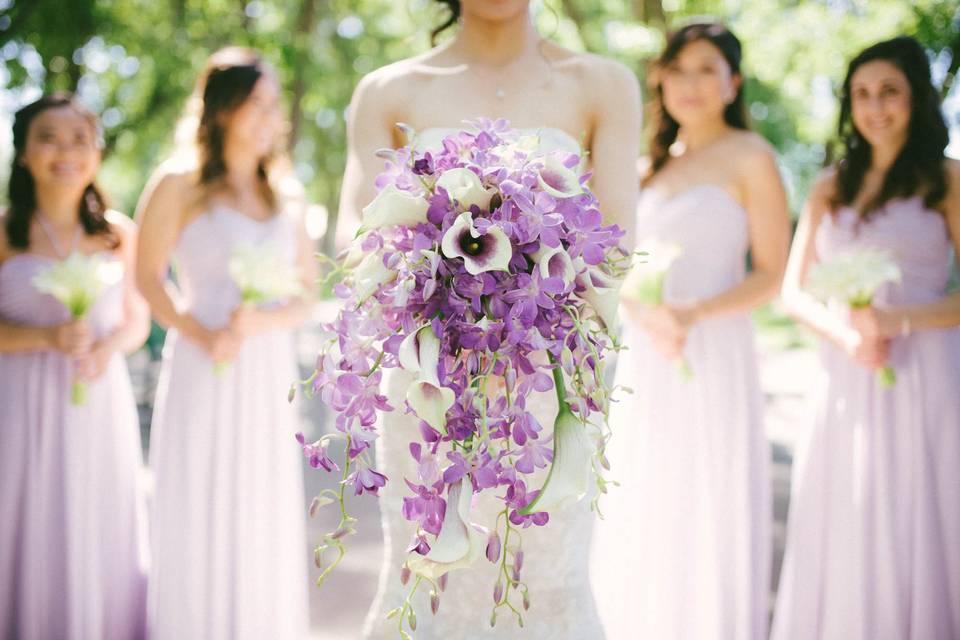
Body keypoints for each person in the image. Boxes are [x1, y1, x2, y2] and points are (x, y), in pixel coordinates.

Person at [335, 1, 640, 637]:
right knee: (424, 568)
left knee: (548, 575)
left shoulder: (603, 83)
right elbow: (354, 237)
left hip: (548, 377)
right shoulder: (389, 90)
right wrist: (438, 281)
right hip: (427, 374)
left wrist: (524, 295)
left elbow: (613, 247)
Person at [772, 35, 960, 640]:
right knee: (850, 508)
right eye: (862, 94)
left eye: (890, 92)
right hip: (846, 373)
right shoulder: (831, 184)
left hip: (927, 370)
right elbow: (792, 291)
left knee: (921, 511)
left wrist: (898, 322)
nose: (875, 106)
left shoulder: (949, 179)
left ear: (917, 99)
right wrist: (847, 335)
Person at [135, 47, 314, 639]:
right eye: (255, 104)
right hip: (201, 359)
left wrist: (257, 325)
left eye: (273, 106)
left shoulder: (284, 195)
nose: (269, 118)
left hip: (265, 370)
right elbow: (146, 277)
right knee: (197, 502)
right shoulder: (178, 184)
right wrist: (197, 330)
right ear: (222, 109)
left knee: (259, 502)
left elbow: (306, 296)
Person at [0, 93, 149, 640]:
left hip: (97, 399)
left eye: (80, 140)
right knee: (21, 520)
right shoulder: (2, 232)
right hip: (16, 405)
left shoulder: (118, 233)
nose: (66, 151)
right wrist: (44, 335)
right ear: (23, 153)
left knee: (95, 518)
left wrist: (107, 348)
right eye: (49, 138)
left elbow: (137, 320)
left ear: (97, 153)